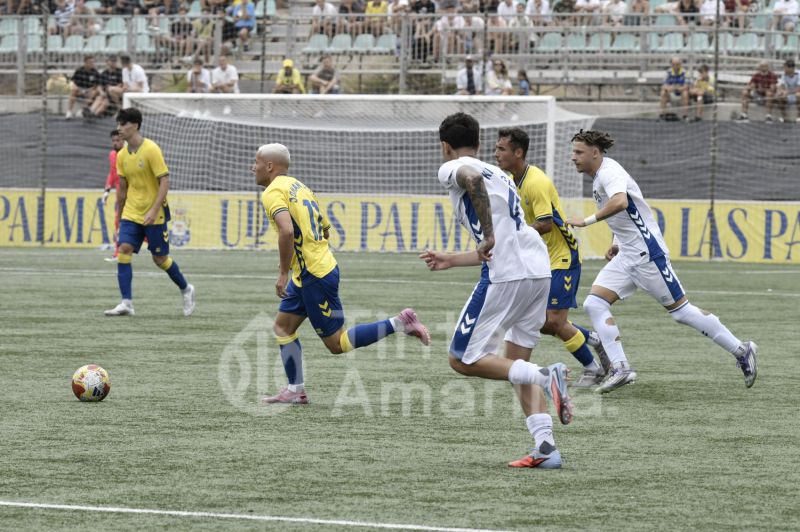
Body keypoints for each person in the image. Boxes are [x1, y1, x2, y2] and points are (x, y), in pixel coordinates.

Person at [419, 113, 572, 469]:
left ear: (445, 146)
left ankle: (547, 377)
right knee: (514, 363)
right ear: (479, 140)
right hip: (538, 273)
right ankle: (546, 448)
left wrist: (486, 233)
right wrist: (451, 260)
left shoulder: (456, 167)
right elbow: (506, 238)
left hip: (506, 277)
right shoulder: (501, 173)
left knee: (462, 359)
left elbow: (470, 180)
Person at [565, 130, 757, 393]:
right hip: (628, 255)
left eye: (579, 152)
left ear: (595, 153)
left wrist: (585, 222)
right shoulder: (600, 176)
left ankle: (741, 349)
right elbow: (629, 212)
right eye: (573, 152)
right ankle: (620, 367)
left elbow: (620, 202)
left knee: (681, 312)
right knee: (595, 303)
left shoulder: (610, 172)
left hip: (646, 255)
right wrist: (617, 242)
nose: (573, 157)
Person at [255, 143, 430, 405]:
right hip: (310, 273)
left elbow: (287, 231)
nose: (252, 167)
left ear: (270, 166)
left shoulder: (272, 193)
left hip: (314, 275)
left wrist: (283, 273)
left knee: (337, 344)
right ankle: (295, 390)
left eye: (256, 162)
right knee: (282, 326)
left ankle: (399, 323)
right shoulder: (300, 187)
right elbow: (325, 228)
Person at [494, 127, 608, 387]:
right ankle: (593, 339)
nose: (496, 153)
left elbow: (545, 224)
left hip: (561, 258)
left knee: (554, 321)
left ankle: (593, 368)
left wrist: (513, 236)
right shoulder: (512, 179)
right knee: (543, 323)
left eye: (501, 148)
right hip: (541, 261)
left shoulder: (536, 182)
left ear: (518, 152)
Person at [104, 108, 195, 317]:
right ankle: (126, 302)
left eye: (123, 124)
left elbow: (164, 180)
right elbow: (123, 186)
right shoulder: (122, 156)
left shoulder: (151, 149)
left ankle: (186, 288)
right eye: (118, 124)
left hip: (154, 212)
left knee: (160, 258)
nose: (119, 129)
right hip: (131, 212)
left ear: (135, 125)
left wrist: (154, 209)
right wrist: (120, 211)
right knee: (124, 249)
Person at [102, 129, 125, 262]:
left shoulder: (129, 154)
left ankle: (156, 245)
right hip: (119, 196)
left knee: (136, 225)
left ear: (123, 141)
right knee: (118, 222)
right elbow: (112, 174)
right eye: (113, 141)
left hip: (131, 196)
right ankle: (117, 252)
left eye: (118, 140)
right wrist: (106, 191)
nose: (115, 143)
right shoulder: (112, 155)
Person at [66, 54, 100, 120]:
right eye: (90, 62)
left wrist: (92, 89)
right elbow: (73, 81)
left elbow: (97, 84)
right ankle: (69, 112)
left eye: (93, 62)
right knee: (73, 90)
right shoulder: (79, 70)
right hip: (80, 89)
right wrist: (76, 87)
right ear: (85, 62)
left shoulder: (95, 72)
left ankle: (82, 110)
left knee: (95, 92)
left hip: (89, 90)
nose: (92, 64)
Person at [659, 56, 689, 121]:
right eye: (673, 64)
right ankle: (662, 114)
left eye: (677, 64)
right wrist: (668, 88)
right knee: (663, 92)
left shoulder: (685, 72)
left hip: (680, 93)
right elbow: (663, 85)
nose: (675, 66)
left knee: (685, 93)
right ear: (671, 65)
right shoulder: (668, 72)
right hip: (670, 93)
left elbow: (686, 85)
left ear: (680, 64)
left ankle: (685, 115)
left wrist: (677, 88)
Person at [775, 58, 800, 123]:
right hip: (788, 95)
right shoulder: (784, 74)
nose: (784, 69)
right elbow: (781, 85)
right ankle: (784, 117)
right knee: (780, 97)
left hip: (796, 94)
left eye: (785, 67)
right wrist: (780, 91)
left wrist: (788, 92)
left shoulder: (799, 74)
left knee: (798, 95)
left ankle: (798, 116)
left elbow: (799, 88)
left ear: (791, 68)